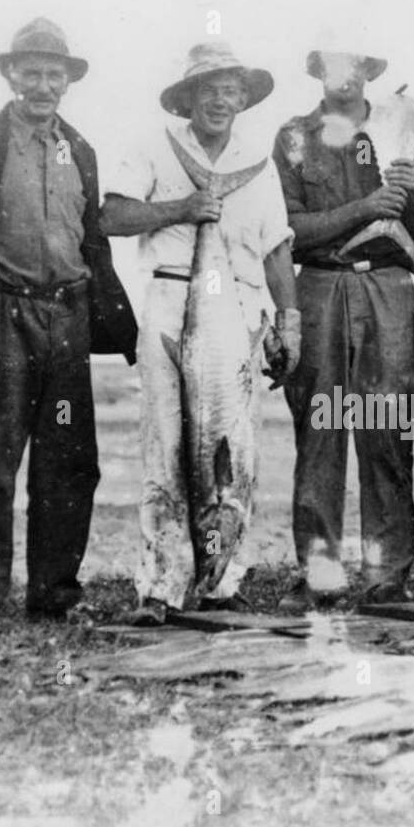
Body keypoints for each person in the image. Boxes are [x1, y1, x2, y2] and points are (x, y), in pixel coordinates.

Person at [0, 18, 136, 630]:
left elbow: (91, 242)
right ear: (11, 74)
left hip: (66, 319)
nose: (43, 84)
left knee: (68, 459)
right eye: (32, 71)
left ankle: (55, 595)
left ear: (68, 80)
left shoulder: (82, 150)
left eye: (55, 73)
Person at [100, 42, 299, 626]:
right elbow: (112, 216)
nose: (219, 99)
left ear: (244, 98)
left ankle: (221, 583)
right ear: (187, 97)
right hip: (170, 299)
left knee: (235, 449)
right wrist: (183, 208)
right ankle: (161, 586)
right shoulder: (150, 146)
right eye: (207, 89)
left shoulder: (256, 161)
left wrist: (289, 319)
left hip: (235, 310)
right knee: (166, 448)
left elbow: (276, 246)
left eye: (230, 89)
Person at [272, 37, 414, 609]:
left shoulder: (393, 131)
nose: (346, 75)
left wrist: (410, 198)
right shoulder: (293, 136)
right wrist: (365, 207)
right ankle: (319, 575)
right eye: (334, 64)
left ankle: (388, 577)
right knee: (320, 432)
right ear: (319, 71)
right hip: (319, 285)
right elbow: (287, 230)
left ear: (367, 71)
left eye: (356, 64)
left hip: (387, 286)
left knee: (385, 430)